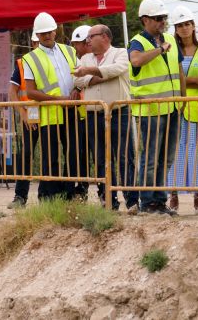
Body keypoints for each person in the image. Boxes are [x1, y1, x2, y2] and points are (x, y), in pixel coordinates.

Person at [128, 0, 184, 215]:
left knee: (166, 158)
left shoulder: (170, 38)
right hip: (150, 111)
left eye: (164, 18)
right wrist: (160, 50)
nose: (162, 22)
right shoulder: (138, 42)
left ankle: (159, 200)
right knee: (150, 158)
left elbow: (179, 71)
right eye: (157, 18)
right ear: (145, 20)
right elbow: (136, 61)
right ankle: (148, 201)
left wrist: (183, 99)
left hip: (171, 108)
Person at [74, 24, 138, 213]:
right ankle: (108, 201)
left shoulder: (120, 53)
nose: (87, 41)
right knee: (101, 159)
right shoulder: (84, 58)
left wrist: (88, 73)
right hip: (94, 114)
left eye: (91, 37)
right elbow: (77, 81)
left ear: (104, 37)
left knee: (125, 157)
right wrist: (97, 75)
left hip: (119, 112)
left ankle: (132, 200)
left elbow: (117, 69)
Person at [22, 12, 82, 200]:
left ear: (55, 30)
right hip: (50, 114)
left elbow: (80, 76)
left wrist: (76, 89)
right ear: (37, 36)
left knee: (73, 155)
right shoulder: (29, 59)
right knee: (51, 157)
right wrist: (59, 99)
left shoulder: (70, 51)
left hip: (72, 111)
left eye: (49, 31)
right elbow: (30, 92)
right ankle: (49, 195)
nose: (47, 35)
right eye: (42, 33)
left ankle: (69, 192)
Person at [166, 6, 198, 214]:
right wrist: (188, 82)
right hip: (176, 108)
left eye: (187, 24)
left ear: (194, 26)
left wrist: (184, 80)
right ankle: (173, 196)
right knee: (175, 152)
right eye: (180, 25)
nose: (184, 29)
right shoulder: (171, 50)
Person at [7, 32, 40, 208]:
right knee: (26, 153)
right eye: (36, 41)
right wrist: (23, 113)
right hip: (33, 112)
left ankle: (49, 194)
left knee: (52, 156)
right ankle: (20, 196)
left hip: (54, 112)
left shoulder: (56, 57)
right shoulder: (23, 62)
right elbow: (12, 91)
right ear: (34, 42)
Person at [68, 25, 91, 201]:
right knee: (80, 156)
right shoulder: (77, 63)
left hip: (96, 115)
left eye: (78, 44)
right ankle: (81, 190)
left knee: (98, 157)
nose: (75, 48)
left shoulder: (94, 62)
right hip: (81, 118)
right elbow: (77, 81)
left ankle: (103, 192)